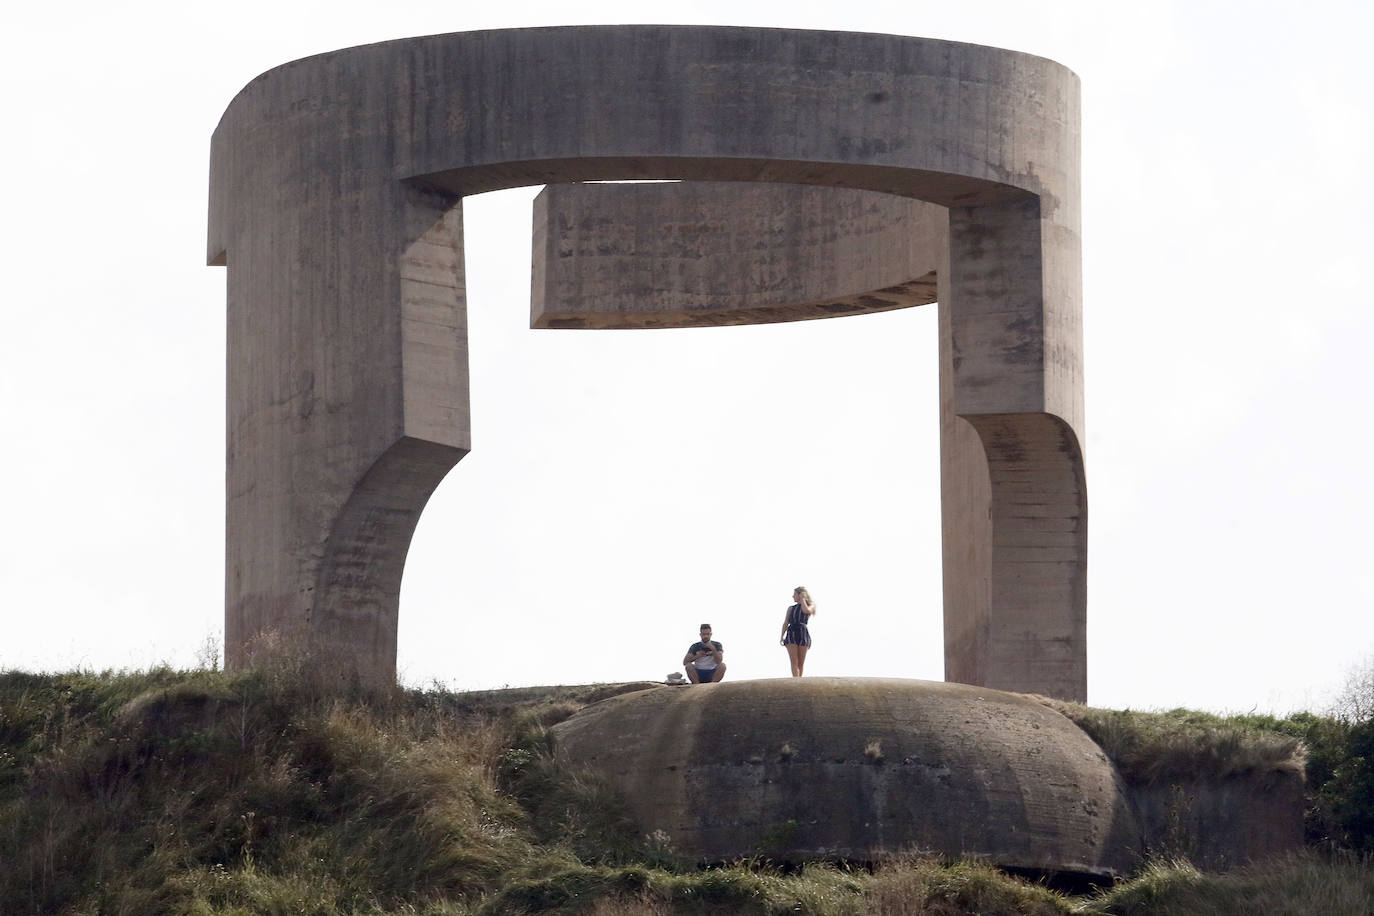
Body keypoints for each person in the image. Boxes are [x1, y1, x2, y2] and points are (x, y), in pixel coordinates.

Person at [780, 586, 817, 676]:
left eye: (795, 594)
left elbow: (806, 610)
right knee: (794, 661)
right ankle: (795, 679)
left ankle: (799, 680)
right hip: (792, 631)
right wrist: (782, 636)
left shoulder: (811, 605)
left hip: (803, 632)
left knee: (801, 662)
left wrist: (803, 599)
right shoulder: (791, 608)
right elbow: (785, 623)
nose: (793, 596)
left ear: (800, 595)